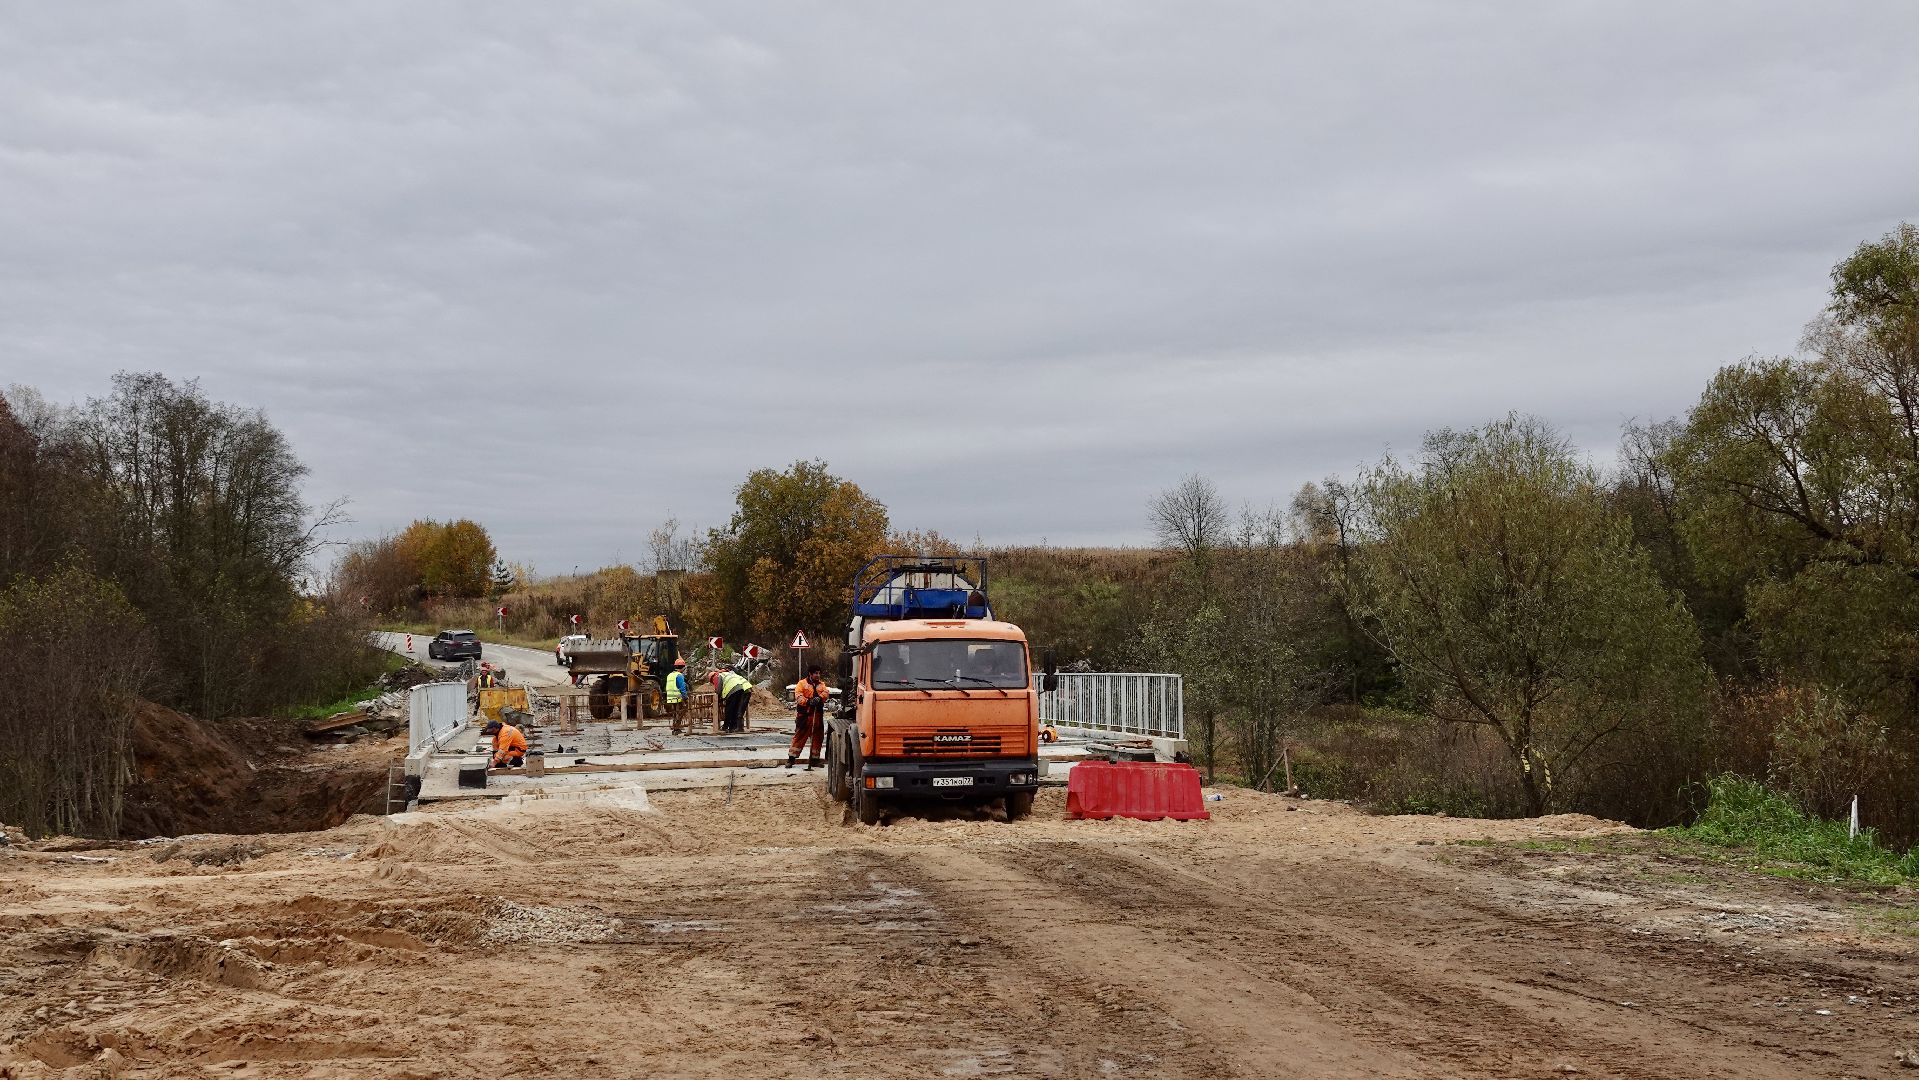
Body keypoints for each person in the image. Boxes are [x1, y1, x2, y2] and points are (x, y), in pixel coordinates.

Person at [788, 665, 829, 769]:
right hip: (805, 715)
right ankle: (791, 759)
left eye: (819, 673)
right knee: (800, 736)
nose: (818, 675)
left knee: (817, 738)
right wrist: (809, 701)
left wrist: (819, 698)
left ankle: (815, 760)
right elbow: (799, 696)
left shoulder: (821, 684)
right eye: (816, 673)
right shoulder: (802, 684)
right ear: (810, 674)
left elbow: (826, 693)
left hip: (817, 715)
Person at [712, 668, 753, 733]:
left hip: (735, 690)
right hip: (746, 688)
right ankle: (735, 727)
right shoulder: (731, 674)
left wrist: (718, 698)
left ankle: (727, 727)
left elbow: (718, 689)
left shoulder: (718, 676)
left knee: (730, 709)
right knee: (738, 709)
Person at [665, 658, 690, 735]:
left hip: (670, 698)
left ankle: (675, 727)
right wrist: (685, 697)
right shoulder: (679, 676)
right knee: (680, 712)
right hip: (677, 697)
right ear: (683, 667)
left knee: (675, 713)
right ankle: (676, 728)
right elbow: (682, 687)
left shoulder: (670, 675)